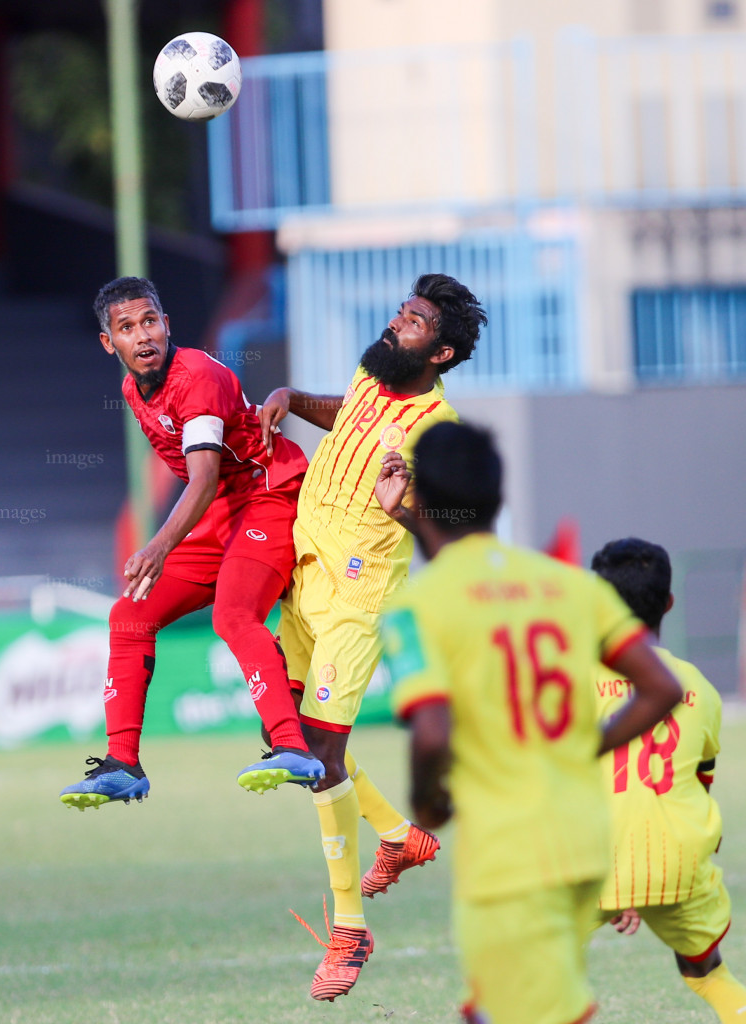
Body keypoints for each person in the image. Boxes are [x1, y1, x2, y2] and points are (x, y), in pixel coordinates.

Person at [381, 421, 684, 1024]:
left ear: (422, 500)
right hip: (582, 843)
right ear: (498, 497)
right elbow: (660, 686)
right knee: (498, 1008)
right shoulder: (568, 585)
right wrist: (584, 744)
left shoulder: (415, 606)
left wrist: (426, 807)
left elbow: (434, 730)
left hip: (509, 860)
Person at [258, 273, 480, 1000]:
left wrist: (406, 502)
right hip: (302, 570)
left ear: (441, 353)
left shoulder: (436, 428)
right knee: (294, 738)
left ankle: (348, 930)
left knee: (316, 753)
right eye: (400, 312)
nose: (396, 324)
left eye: (413, 322)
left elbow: (453, 525)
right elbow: (346, 413)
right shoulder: (371, 370)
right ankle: (397, 835)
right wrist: (294, 401)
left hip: (358, 593)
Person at [58, 277, 324, 809]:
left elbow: (201, 479)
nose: (143, 336)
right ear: (110, 344)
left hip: (269, 492)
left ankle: (293, 748)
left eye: (150, 321)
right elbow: (206, 485)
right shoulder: (134, 390)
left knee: (232, 614)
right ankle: (122, 764)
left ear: (167, 324)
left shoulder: (196, 377)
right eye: (127, 328)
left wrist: (157, 546)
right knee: (128, 616)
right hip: (224, 507)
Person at [589, 538, 746, 1024]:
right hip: (678, 862)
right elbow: (697, 783)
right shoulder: (700, 688)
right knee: (707, 973)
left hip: (587, 860)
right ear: (668, 603)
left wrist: (616, 885)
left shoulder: (569, 682)